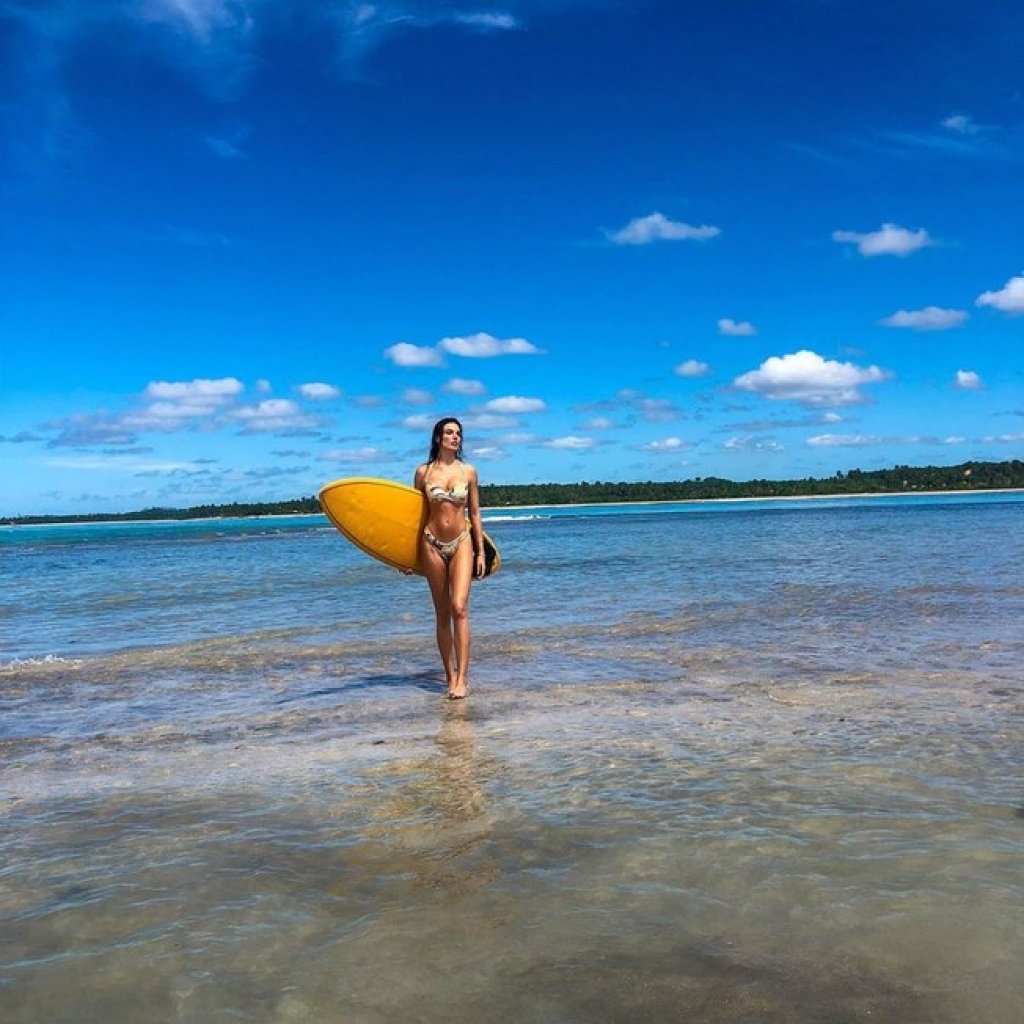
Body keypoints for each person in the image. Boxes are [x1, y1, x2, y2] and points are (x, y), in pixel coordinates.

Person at [413, 417, 486, 700]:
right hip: (431, 543)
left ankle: (463, 679)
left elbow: (476, 513)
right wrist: (405, 557)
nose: (455, 437)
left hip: (462, 542)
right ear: (438, 438)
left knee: (459, 608)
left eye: (458, 434)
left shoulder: (468, 472)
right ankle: (450, 676)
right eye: (449, 433)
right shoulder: (423, 473)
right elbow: (414, 516)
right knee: (442, 612)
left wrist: (481, 551)